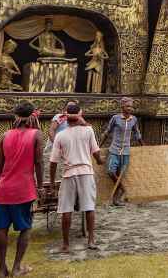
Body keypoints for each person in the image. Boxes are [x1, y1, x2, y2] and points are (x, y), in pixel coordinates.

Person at [0, 102, 44, 277]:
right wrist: (41, 186)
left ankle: (1, 269)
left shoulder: (4, 135)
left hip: (4, 189)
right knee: (26, 228)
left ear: (15, 116)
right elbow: (38, 163)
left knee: (1, 228)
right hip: (24, 189)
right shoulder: (37, 135)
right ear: (32, 116)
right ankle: (16, 267)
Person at [49, 103, 103, 253]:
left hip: (69, 174)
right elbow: (96, 152)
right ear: (80, 115)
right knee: (89, 207)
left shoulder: (60, 135)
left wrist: (53, 183)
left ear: (66, 118)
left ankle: (66, 244)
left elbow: (53, 162)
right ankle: (91, 240)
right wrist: (99, 160)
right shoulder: (88, 130)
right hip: (86, 172)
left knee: (66, 210)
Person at [99, 97, 143, 206]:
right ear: (122, 107)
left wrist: (144, 147)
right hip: (114, 149)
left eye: (131, 106)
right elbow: (107, 132)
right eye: (128, 106)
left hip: (126, 151)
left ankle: (116, 199)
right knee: (111, 171)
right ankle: (123, 189)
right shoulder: (115, 118)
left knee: (120, 174)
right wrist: (98, 146)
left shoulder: (134, 120)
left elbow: (137, 134)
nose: (130, 108)